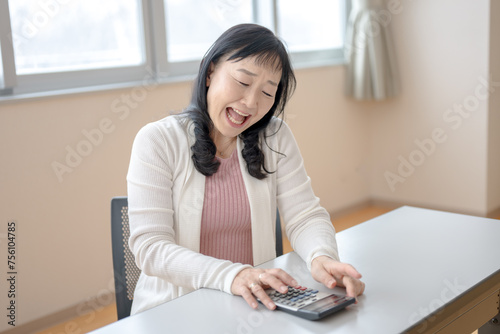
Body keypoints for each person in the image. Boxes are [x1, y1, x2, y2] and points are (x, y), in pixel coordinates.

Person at [127, 23, 365, 315]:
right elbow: (151, 248)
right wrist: (232, 275)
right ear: (210, 71)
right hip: (174, 311)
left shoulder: (275, 136)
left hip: (253, 308)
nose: (251, 103)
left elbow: (304, 216)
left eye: (268, 92)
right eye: (242, 82)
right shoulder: (158, 140)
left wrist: (322, 257)